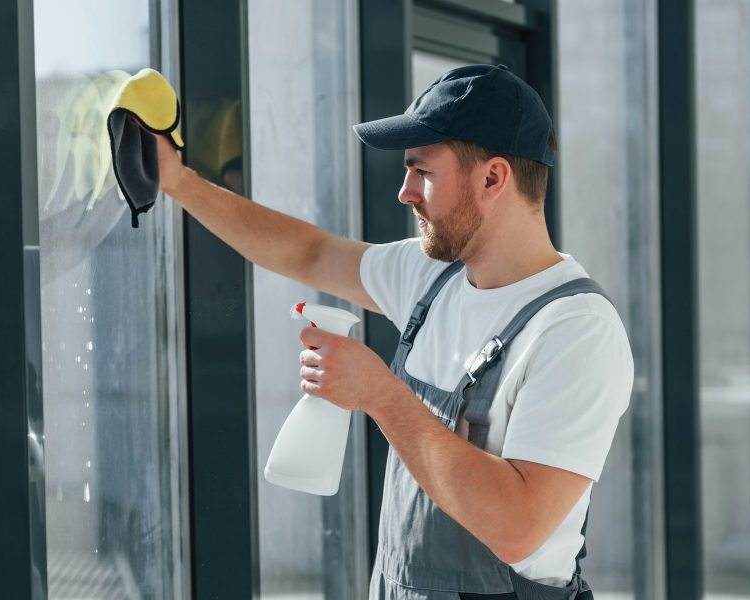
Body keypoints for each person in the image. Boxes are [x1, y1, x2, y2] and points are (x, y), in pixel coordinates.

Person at [152, 64, 633, 599]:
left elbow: (518, 529)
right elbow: (308, 252)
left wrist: (380, 395)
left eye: (422, 171)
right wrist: (177, 182)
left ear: (493, 178)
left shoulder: (575, 330)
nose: (404, 193)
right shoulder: (433, 277)